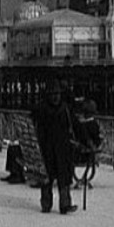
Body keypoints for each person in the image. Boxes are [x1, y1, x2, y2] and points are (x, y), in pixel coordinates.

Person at [31, 80, 78, 214]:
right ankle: (46, 204)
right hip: (47, 148)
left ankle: (65, 204)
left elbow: (75, 125)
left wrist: (85, 141)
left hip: (63, 148)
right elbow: (35, 125)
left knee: (64, 179)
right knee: (47, 178)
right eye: (52, 94)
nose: (55, 97)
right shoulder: (42, 109)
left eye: (57, 94)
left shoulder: (65, 109)